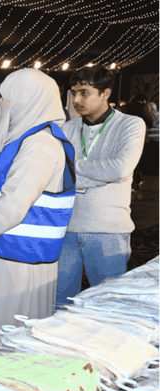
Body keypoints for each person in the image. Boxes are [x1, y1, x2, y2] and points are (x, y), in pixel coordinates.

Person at [0, 69, 76, 349]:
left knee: (12, 334)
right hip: (5, 251)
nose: (1, 104)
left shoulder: (42, 145)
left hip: (24, 262)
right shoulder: (21, 138)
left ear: (29, 101)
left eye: (7, 99)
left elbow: (12, 205)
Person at [56, 66, 146, 308]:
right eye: (73, 93)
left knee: (109, 305)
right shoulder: (67, 129)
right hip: (67, 227)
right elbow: (58, 174)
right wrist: (96, 174)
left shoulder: (130, 124)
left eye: (84, 93)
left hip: (108, 227)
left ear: (105, 93)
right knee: (61, 303)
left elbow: (119, 169)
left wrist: (76, 169)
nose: (76, 100)